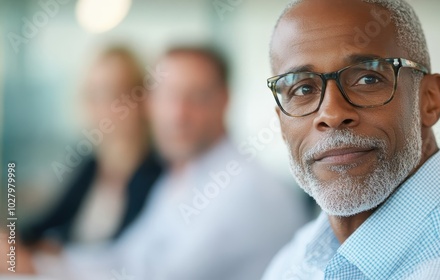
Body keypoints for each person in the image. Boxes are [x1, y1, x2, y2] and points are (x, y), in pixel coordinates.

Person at [262, 0, 440, 279]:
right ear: (280, 123)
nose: (332, 113)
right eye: (303, 88)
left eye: (367, 79)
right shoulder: (299, 254)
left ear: (429, 101)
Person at [110, 45, 310, 280]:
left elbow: (160, 275)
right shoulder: (181, 177)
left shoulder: (247, 189)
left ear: (224, 100)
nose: (178, 114)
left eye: (196, 97)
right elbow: (125, 257)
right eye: (167, 96)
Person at [20, 46, 162, 256]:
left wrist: (60, 254)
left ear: (141, 99)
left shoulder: (158, 172)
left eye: (110, 93)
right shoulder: (92, 165)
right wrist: (13, 243)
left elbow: (126, 255)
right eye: (91, 95)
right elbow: (43, 225)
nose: (98, 107)